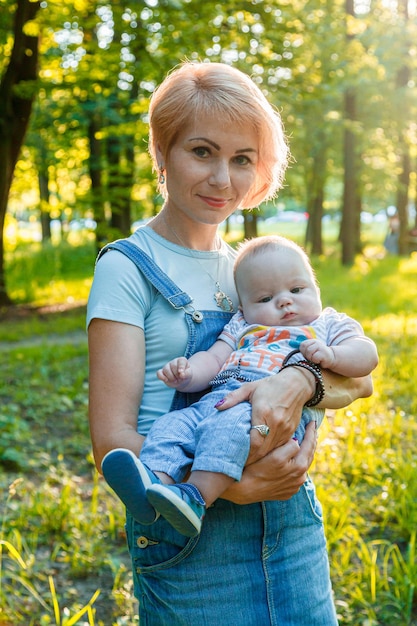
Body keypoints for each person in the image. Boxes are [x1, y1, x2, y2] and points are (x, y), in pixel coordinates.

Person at [87, 61, 374, 625]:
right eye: (201, 151)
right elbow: (111, 442)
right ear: (162, 153)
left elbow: (357, 377)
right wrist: (232, 487)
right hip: (190, 536)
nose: (223, 178)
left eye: (242, 159)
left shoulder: (256, 269)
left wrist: (299, 378)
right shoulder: (128, 268)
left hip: (290, 519)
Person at [101, 235, 378, 538]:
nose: (285, 301)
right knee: (172, 425)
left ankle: (195, 498)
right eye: (265, 299)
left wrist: (333, 355)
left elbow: (367, 357)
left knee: (227, 429)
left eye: (297, 290)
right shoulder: (243, 325)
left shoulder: (327, 325)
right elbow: (214, 358)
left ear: (316, 289)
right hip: (219, 400)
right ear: (244, 307)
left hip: (262, 414)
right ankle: (157, 487)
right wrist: (187, 374)